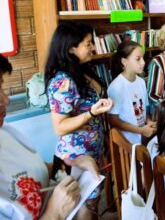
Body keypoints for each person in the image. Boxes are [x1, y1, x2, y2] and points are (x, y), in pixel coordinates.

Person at [0, 55, 100, 219]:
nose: (6, 99)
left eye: (2, 87)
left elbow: (39, 171)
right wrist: (55, 213)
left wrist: (73, 165)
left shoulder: (7, 133)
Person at [44, 21, 113, 219]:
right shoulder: (63, 81)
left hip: (94, 151)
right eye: (88, 43)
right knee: (82, 208)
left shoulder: (84, 70)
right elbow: (59, 127)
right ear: (71, 48)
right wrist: (91, 113)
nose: (93, 47)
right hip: (76, 158)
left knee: (91, 205)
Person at [107, 41, 156, 144]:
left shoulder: (141, 82)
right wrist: (140, 130)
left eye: (143, 58)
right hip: (127, 142)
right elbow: (113, 120)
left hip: (142, 138)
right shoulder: (116, 87)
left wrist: (149, 121)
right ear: (124, 62)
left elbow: (144, 109)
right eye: (138, 59)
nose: (143, 62)